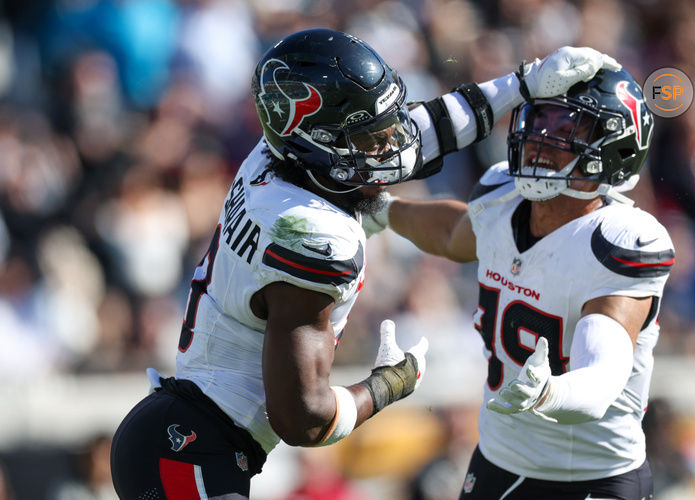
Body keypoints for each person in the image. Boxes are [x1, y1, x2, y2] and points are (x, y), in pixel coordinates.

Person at [109, 27, 620, 499]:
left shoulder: (279, 158)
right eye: (368, 136)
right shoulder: (310, 233)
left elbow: (428, 130)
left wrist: (525, 83)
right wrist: (387, 384)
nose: (391, 144)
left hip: (181, 435)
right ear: (319, 142)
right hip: (189, 449)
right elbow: (302, 419)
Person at [366, 66, 673, 499]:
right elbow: (456, 234)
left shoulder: (620, 239)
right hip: (500, 461)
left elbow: (602, 376)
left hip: (594, 476)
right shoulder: (502, 193)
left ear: (613, 147)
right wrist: (382, 208)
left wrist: (551, 391)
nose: (540, 137)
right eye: (539, 119)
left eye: (565, 126)